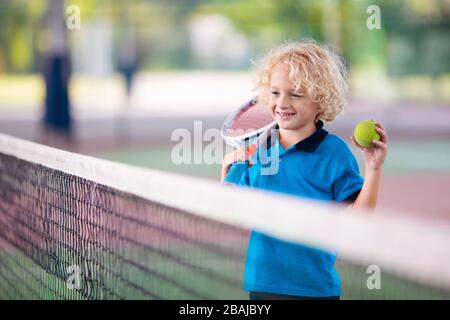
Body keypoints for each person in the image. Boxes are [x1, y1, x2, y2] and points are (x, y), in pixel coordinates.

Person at [221, 40, 388, 300]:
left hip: (315, 289)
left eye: (296, 94)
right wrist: (228, 171)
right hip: (263, 286)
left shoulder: (335, 153)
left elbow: (359, 218)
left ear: (320, 99)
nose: (282, 102)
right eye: (275, 93)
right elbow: (235, 212)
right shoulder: (256, 152)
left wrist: (373, 167)